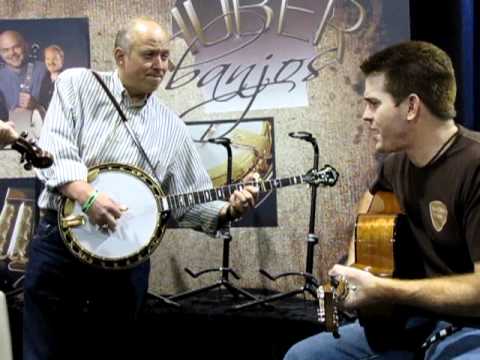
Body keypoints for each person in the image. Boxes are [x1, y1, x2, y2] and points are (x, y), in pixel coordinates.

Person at [23, 17, 258, 360]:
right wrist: (87, 197)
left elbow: (187, 201)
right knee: (44, 352)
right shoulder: (77, 84)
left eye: (165, 56)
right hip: (59, 245)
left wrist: (229, 209)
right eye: (150, 55)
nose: (160, 65)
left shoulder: (172, 126)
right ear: (120, 56)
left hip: (126, 260)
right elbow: (55, 150)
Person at [284, 41, 480, 359]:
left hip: (472, 329)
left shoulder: (475, 165)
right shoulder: (395, 165)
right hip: (414, 322)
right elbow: (370, 198)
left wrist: (384, 290)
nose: (365, 115)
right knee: (302, 356)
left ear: (412, 107)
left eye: (374, 104)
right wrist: (356, 263)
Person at [0, 30, 46, 115]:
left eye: (16, 47)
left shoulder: (44, 70)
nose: (12, 53)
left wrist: (36, 106)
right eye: (5, 50)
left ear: (25, 46)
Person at [38, 44, 64, 109]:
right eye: (48, 59)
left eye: (55, 59)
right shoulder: (44, 80)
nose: (50, 62)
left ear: (62, 60)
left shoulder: (67, 80)